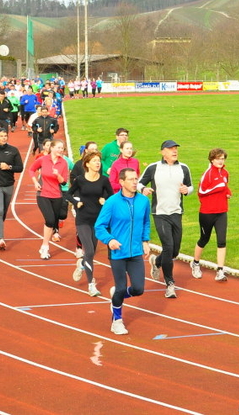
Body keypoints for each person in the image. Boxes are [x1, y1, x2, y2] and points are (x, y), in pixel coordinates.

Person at [95, 168, 151, 335]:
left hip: (135, 253)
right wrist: (110, 240)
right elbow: (99, 227)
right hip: (118, 253)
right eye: (131, 179)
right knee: (120, 288)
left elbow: (146, 222)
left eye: (136, 179)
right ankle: (117, 320)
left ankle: (116, 296)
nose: (135, 182)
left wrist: (145, 241)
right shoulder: (112, 202)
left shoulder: (143, 201)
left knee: (138, 289)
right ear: (121, 182)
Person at [138, 139, 193, 298]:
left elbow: (190, 187)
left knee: (174, 251)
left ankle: (157, 262)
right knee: (168, 246)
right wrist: (144, 189)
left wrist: (186, 190)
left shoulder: (184, 168)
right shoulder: (154, 167)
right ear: (163, 152)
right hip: (160, 213)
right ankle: (170, 284)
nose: (174, 151)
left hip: (176, 213)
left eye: (176, 149)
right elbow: (140, 182)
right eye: (170, 149)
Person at [69, 150, 113, 296]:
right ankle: (91, 284)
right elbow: (67, 194)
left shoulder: (104, 180)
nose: (98, 163)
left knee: (92, 252)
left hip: (98, 221)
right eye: (94, 161)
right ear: (87, 164)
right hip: (83, 220)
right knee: (88, 251)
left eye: (98, 161)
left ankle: (82, 264)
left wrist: (105, 201)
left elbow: (112, 197)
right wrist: (77, 202)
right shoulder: (80, 180)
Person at [190, 148, 231, 282]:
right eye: (218, 158)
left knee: (222, 241)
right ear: (212, 159)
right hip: (207, 213)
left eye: (222, 158)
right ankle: (195, 263)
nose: (220, 161)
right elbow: (201, 191)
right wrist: (219, 187)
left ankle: (220, 270)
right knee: (204, 239)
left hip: (221, 212)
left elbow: (225, 186)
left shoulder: (225, 173)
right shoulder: (207, 174)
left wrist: (227, 192)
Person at [29, 139, 69, 259]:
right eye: (58, 147)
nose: (60, 150)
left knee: (54, 222)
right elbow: (31, 169)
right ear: (51, 148)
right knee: (50, 220)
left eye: (62, 148)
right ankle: (45, 246)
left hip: (57, 195)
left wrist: (58, 175)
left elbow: (64, 182)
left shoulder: (64, 163)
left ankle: (44, 245)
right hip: (43, 194)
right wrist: (35, 182)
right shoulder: (43, 159)